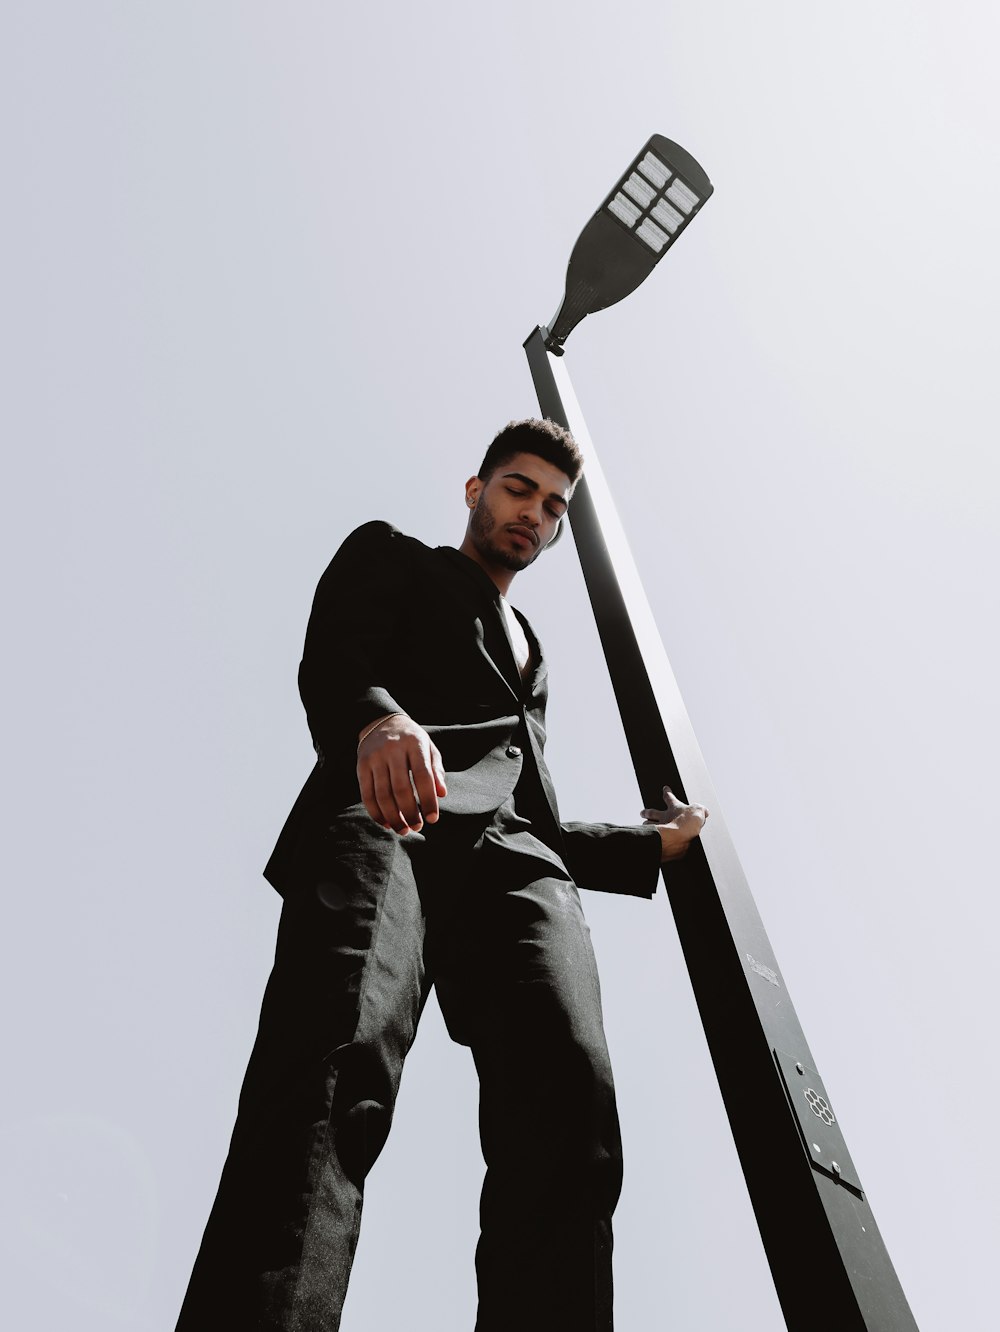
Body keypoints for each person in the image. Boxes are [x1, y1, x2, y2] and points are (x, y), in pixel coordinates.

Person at [175, 417, 708, 1332]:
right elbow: (334, 659)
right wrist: (376, 719)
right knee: (332, 1070)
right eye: (518, 490)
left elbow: (520, 803)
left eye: (553, 507)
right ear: (476, 490)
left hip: (520, 872)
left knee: (572, 1111)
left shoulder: (535, 654)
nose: (533, 515)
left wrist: (640, 846)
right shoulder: (394, 557)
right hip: (391, 809)